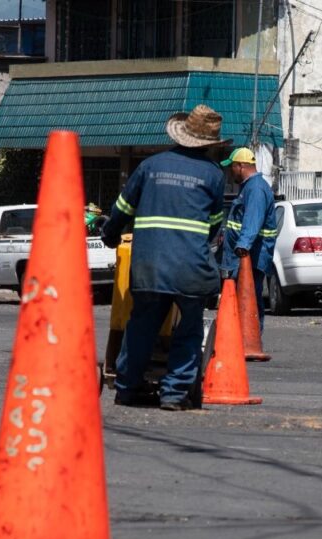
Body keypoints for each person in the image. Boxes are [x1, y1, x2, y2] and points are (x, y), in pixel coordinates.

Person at [100, 105, 228, 411]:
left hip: (149, 264)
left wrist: (110, 234)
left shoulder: (150, 166)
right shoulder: (213, 174)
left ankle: (128, 387)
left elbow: (122, 210)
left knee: (142, 325)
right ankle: (173, 392)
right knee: (189, 327)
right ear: (210, 144)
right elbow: (213, 226)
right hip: (190, 266)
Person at [219, 147, 278, 335]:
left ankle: (250, 338)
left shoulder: (256, 189)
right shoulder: (250, 187)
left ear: (241, 166)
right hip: (247, 257)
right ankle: (243, 337)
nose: (230, 171)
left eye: (232, 167)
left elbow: (253, 220)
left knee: (249, 297)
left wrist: (243, 246)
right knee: (244, 297)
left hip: (250, 257)